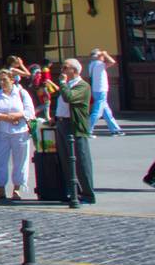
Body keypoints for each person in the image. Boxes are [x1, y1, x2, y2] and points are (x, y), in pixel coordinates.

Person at [0, 68, 35, 200]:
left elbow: (30, 112)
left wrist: (17, 115)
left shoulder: (21, 93)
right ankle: (1, 189)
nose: (2, 83)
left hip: (20, 132)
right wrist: (5, 117)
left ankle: (17, 189)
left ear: (12, 80)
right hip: (1, 132)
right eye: (0, 80)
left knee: (20, 160)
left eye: (5, 80)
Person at [53, 58, 95, 204]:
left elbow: (68, 98)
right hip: (62, 123)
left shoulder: (82, 85)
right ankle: (74, 193)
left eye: (66, 68)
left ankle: (88, 194)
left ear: (75, 70)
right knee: (66, 160)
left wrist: (63, 84)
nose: (62, 71)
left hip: (75, 125)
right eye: (62, 67)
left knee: (81, 161)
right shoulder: (68, 85)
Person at [85, 49, 126, 137]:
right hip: (101, 90)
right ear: (98, 56)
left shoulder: (92, 65)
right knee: (97, 112)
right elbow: (112, 61)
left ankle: (115, 129)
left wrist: (101, 55)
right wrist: (105, 54)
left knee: (106, 111)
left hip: (96, 90)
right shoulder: (98, 64)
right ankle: (88, 130)